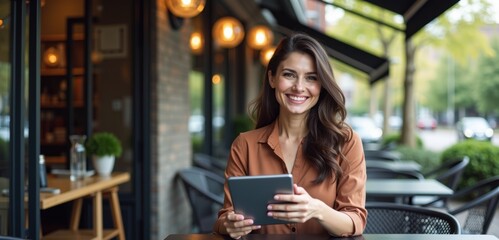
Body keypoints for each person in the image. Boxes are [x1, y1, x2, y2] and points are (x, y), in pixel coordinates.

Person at [214, 33, 366, 239]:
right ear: (272, 78)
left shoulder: (346, 142)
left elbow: (355, 220)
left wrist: (317, 210)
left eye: (311, 78)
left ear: (321, 86)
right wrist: (230, 225)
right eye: (289, 74)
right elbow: (225, 217)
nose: (299, 87)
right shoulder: (245, 145)